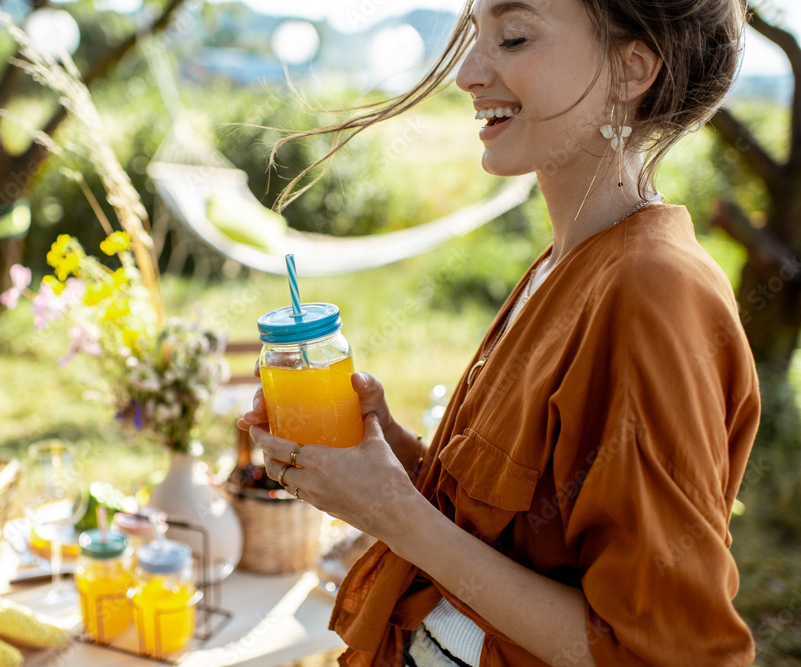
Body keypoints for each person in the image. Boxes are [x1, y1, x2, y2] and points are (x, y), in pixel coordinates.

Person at [239, 0, 759, 664]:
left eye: (512, 37)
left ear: (631, 69)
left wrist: (394, 513)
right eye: (472, 35)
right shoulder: (566, 261)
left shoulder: (649, 290)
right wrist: (392, 457)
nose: (468, 73)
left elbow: (660, 651)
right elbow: (527, 539)